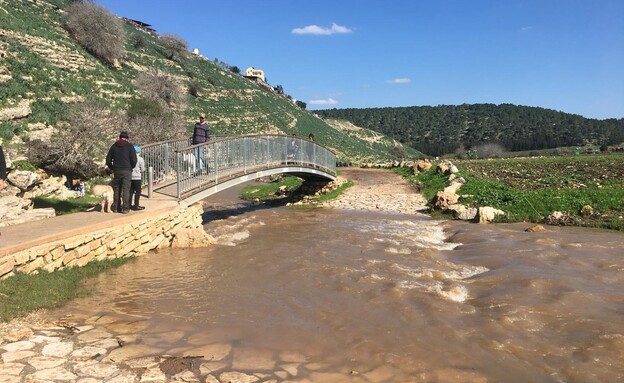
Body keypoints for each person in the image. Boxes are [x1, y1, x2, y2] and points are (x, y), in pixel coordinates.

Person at [106, 132, 137, 214]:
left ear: (119, 138)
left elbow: (108, 160)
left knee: (117, 188)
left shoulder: (113, 146)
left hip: (117, 170)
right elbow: (134, 160)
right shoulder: (130, 146)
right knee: (126, 189)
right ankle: (125, 208)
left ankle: (116, 207)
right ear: (127, 138)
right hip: (127, 170)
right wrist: (131, 167)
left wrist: (112, 167)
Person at [130, 145, 146, 210]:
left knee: (130, 191)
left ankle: (128, 204)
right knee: (138, 191)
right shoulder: (140, 159)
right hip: (137, 177)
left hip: (130, 177)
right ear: (139, 152)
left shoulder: (129, 158)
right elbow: (142, 169)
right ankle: (136, 205)